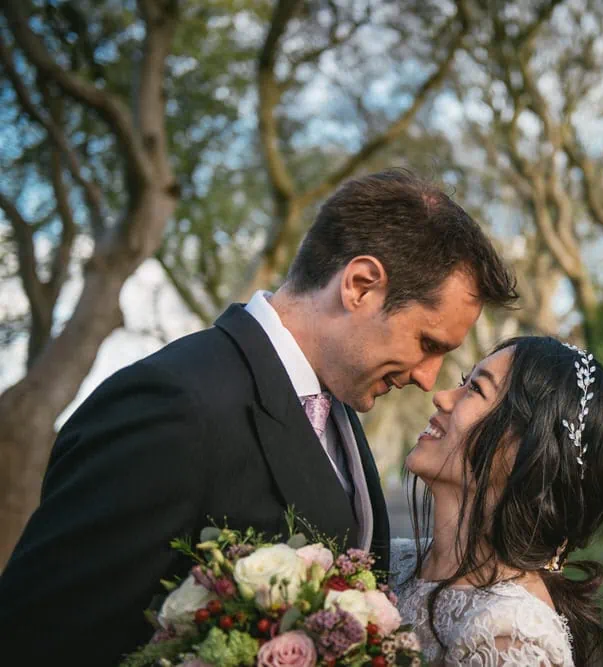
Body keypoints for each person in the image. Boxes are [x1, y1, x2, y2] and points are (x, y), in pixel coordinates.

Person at [0, 169, 517, 666]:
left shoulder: (336, 406)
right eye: (427, 343)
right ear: (359, 284)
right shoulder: (173, 405)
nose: (429, 379)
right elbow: (42, 639)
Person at [392, 336, 603, 666]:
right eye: (465, 382)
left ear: (528, 450)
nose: (442, 397)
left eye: (475, 389)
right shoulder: (391, 562)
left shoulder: (512, 642)